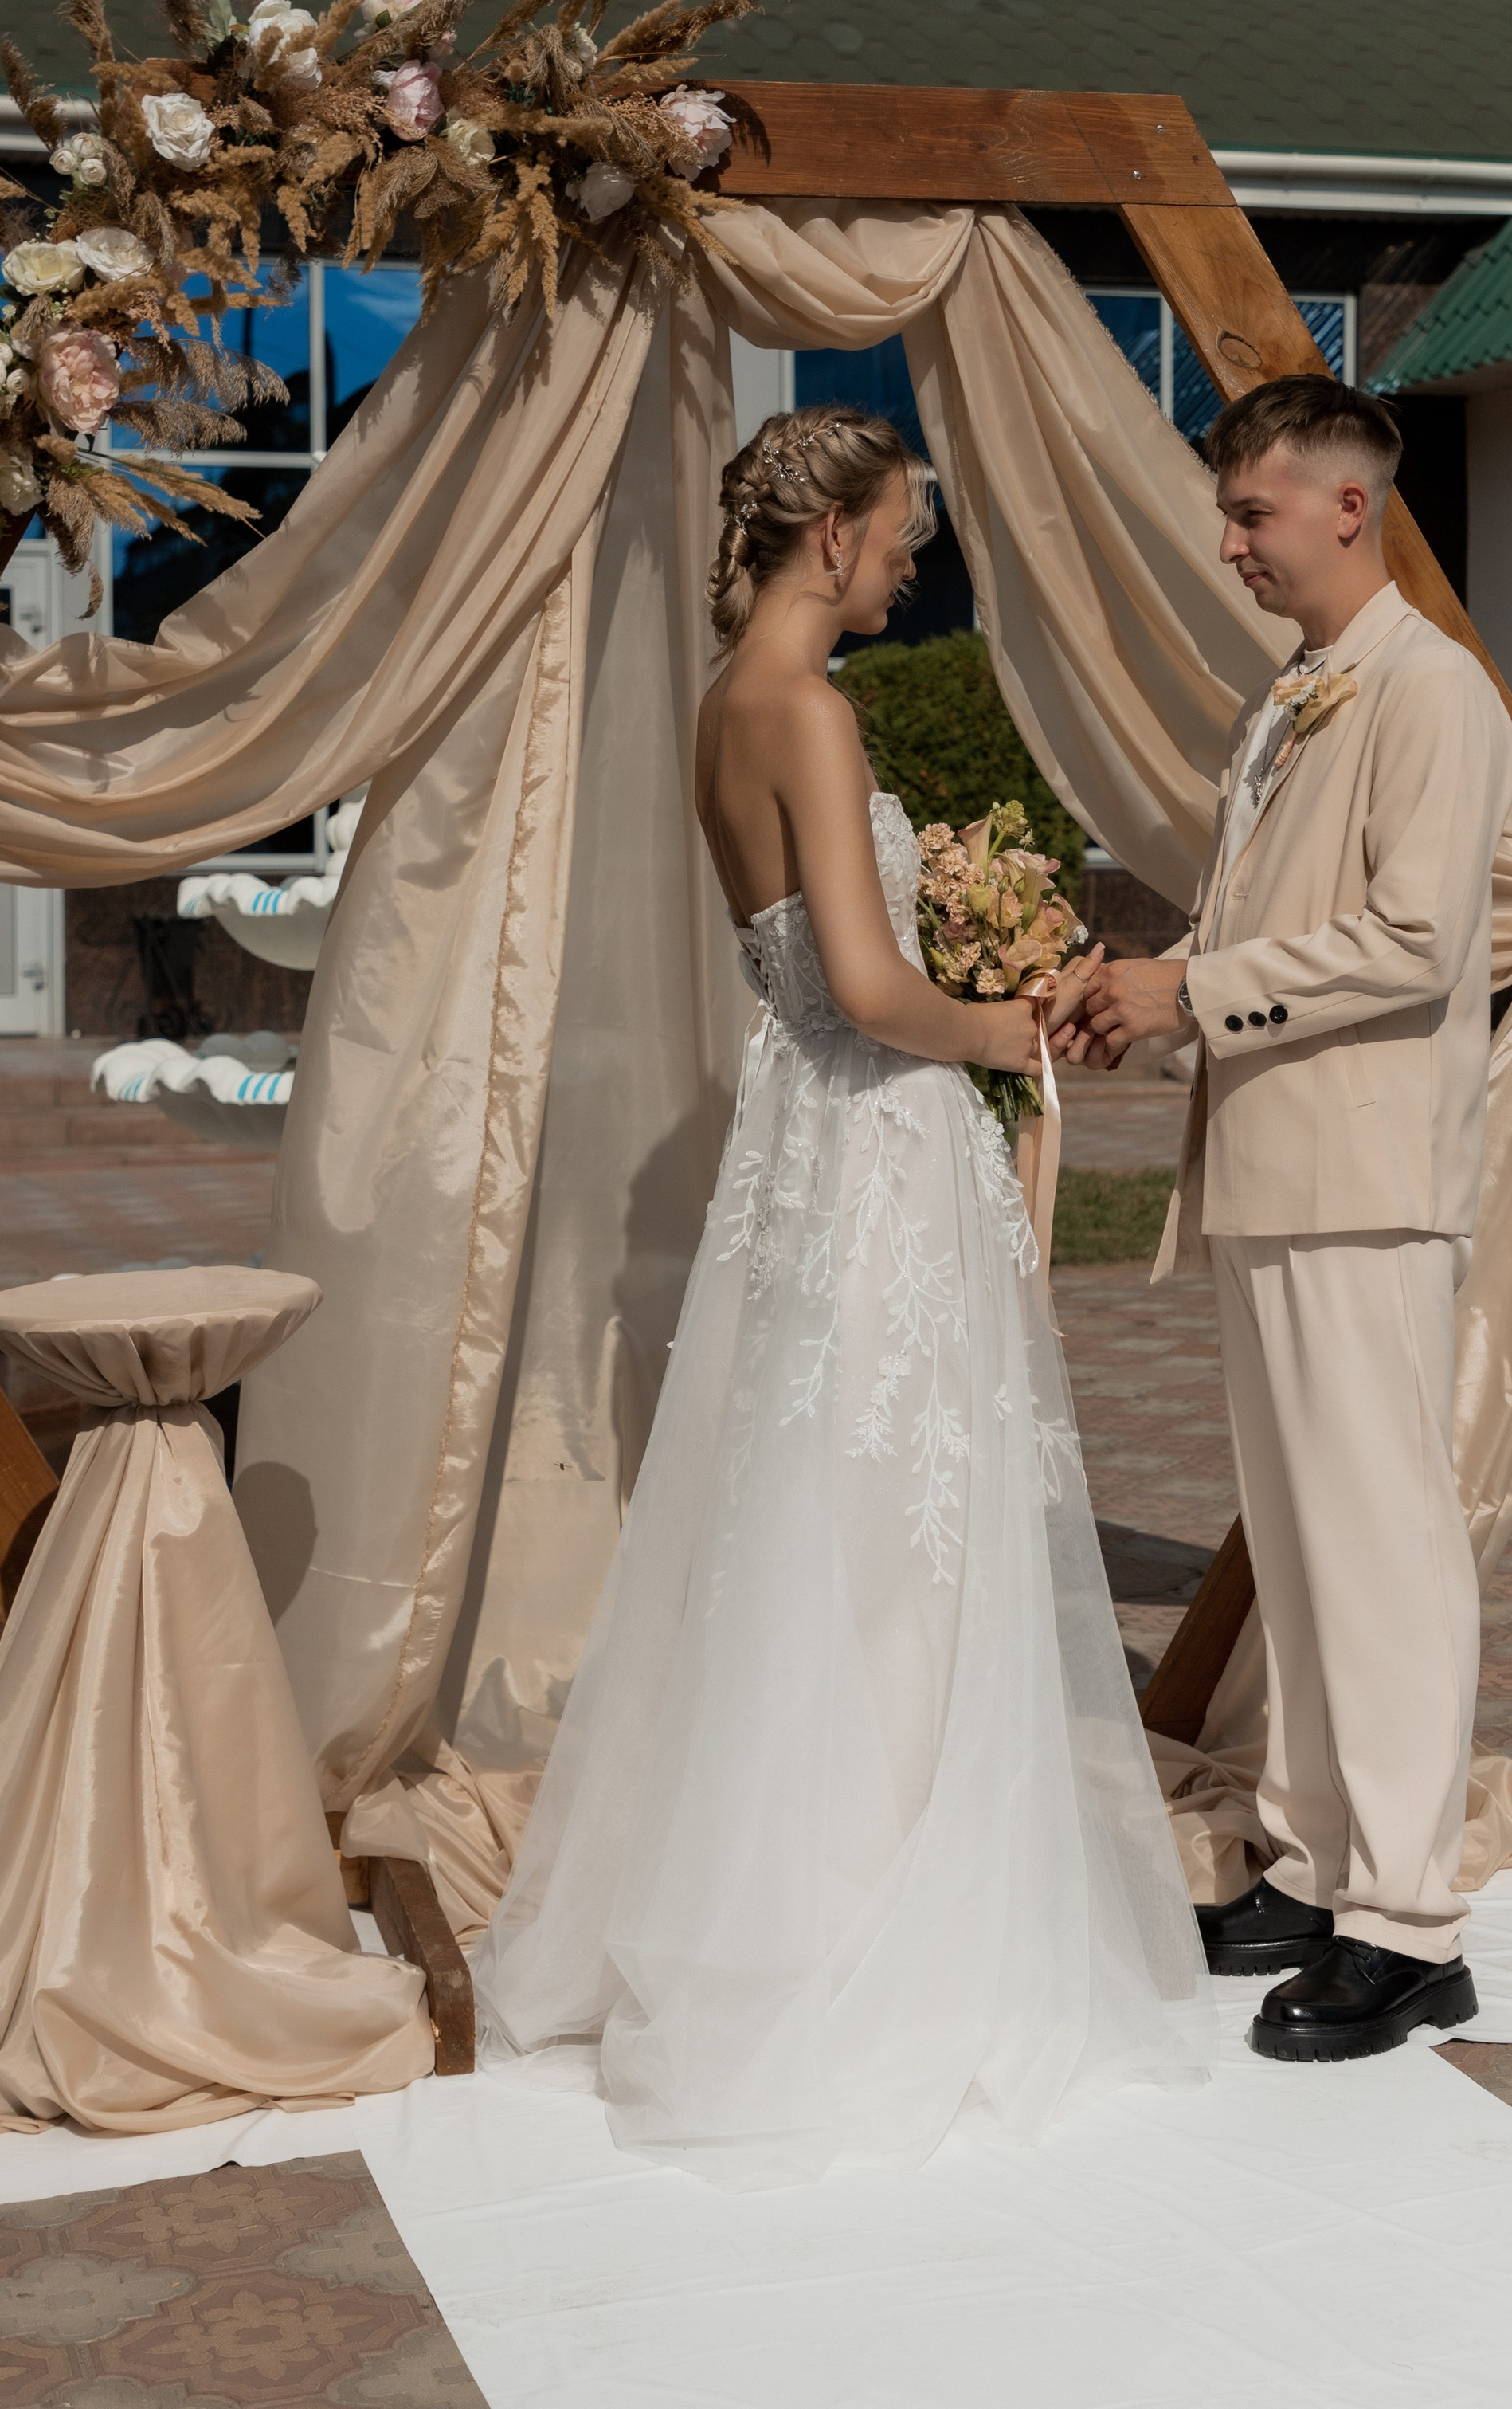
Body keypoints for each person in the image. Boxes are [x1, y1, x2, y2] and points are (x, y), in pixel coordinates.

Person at [473, 406, 1216, 2183]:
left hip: (796, 1152)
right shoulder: (806, 709)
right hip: (873, 1141)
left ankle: (790, 1893)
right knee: (895, 1538)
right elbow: (870, 987)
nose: (908, 558)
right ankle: (879, 1923)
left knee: (812, 1520)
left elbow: (796, 962)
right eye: (899, 534)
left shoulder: (724, 701)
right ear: (830, 540)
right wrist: (1011, 1024)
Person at [1067, 375, 1512, 2065]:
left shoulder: (1433, 693)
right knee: (1304, 1544)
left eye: (1251, 512)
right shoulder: (1296, 697)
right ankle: (1319, 1860)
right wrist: (1146, 990)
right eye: (1227, 511)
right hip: (1278, 1172)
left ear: (1348, 505)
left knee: (1380, 1547)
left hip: (1367, 1183)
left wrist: (1189, 987)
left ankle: (1407, 1924)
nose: (1231, 542)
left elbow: (1409, 940)